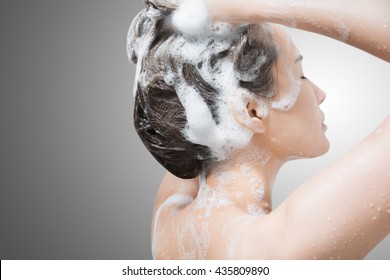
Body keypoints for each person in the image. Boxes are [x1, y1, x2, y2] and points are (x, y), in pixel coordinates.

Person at [128, 0, 390, 259]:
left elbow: (183, 99)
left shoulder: (168, 223)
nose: (320, 94)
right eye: (300, 75)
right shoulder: (287, 244)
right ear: (251, 112)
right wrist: (244, 6)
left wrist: (204, 15)